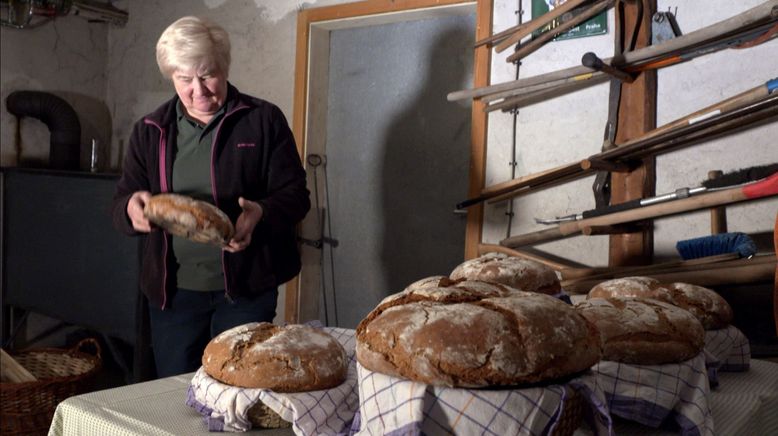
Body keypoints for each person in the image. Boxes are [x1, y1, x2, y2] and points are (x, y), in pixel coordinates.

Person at [111, 16, 310, 378]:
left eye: (208, 75)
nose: (198, 90)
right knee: (176, 394)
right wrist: (131, 210)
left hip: (246, 292)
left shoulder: (262, 120)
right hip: (174, 296)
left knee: (237, 389)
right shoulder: (150, 130)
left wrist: (260, 213)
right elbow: (123, 198)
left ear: (225, 66)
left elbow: (296, 195)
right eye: (184, 79)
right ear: (172, 76)